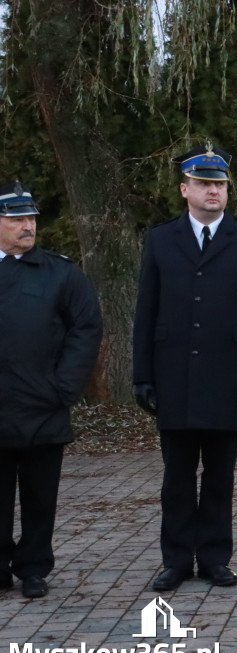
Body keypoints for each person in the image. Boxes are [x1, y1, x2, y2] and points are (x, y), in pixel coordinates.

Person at [133, 144, 237, 591]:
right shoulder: (160, 240)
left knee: (220, 476)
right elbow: (146, 312)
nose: (213, 191)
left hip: (227, 378)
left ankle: (215, 558)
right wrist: (142, 375)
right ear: (185, 189)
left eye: (219, 184)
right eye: (203, 183)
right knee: (176, 478)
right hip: (174, 376)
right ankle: (176, 560)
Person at [0, 182, 102, 599]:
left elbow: (86, 328)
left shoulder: (60, 272)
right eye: (16, 219)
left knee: (41, 496)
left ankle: (35, 567)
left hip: (43, 403)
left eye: (31, 219)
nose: (28, 226)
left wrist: (65, 387)